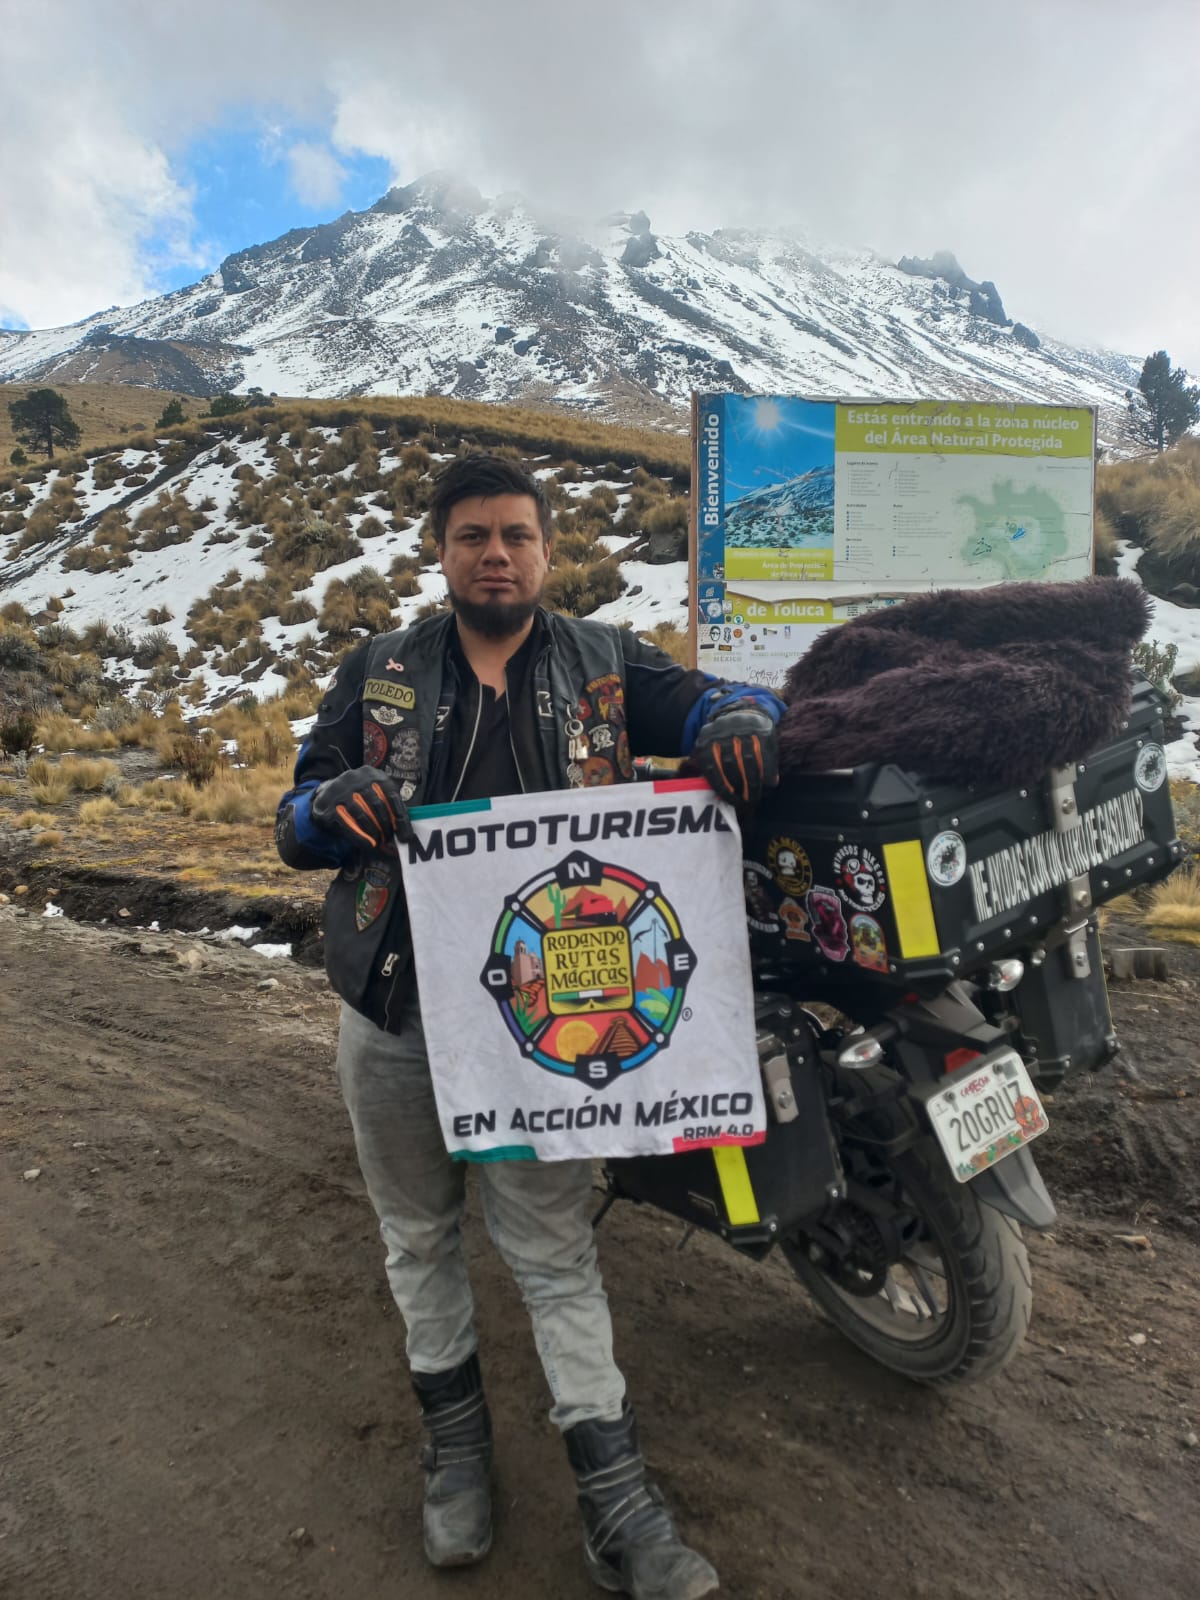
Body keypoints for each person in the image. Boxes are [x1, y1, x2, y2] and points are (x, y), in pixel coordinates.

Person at [276, 453, 782, 1600]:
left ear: (548, 550)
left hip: (552, 1039)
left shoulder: (608, 663)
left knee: (553, 1251)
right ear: (441, 553)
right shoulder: (382, 669)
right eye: (471, 536)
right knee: (418, 1237)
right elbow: (291, 818)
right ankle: (456, 1451)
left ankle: (616, 1501)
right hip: (399, 1010)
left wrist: (743, 713)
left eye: (515, 534)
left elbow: (713, 705)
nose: (494, 553)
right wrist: (325, 809)